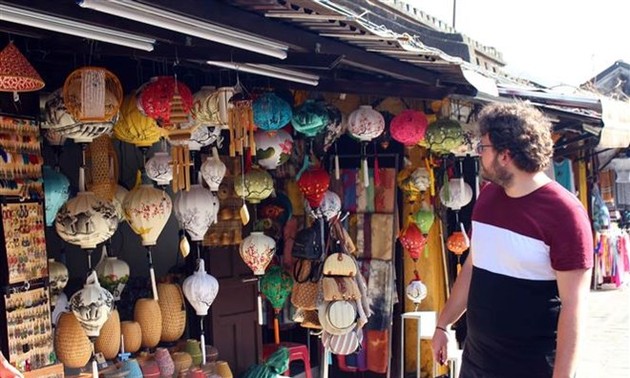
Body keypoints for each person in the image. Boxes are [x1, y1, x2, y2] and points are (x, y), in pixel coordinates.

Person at [431, 102, 593, 378]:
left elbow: (574, 308)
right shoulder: (488, 198)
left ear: (505, 155)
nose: (478, 154)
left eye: (483, 148)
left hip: (532, 368)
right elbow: (473, 266)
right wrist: (443, 325)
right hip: (477, 363)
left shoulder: (565, 214)